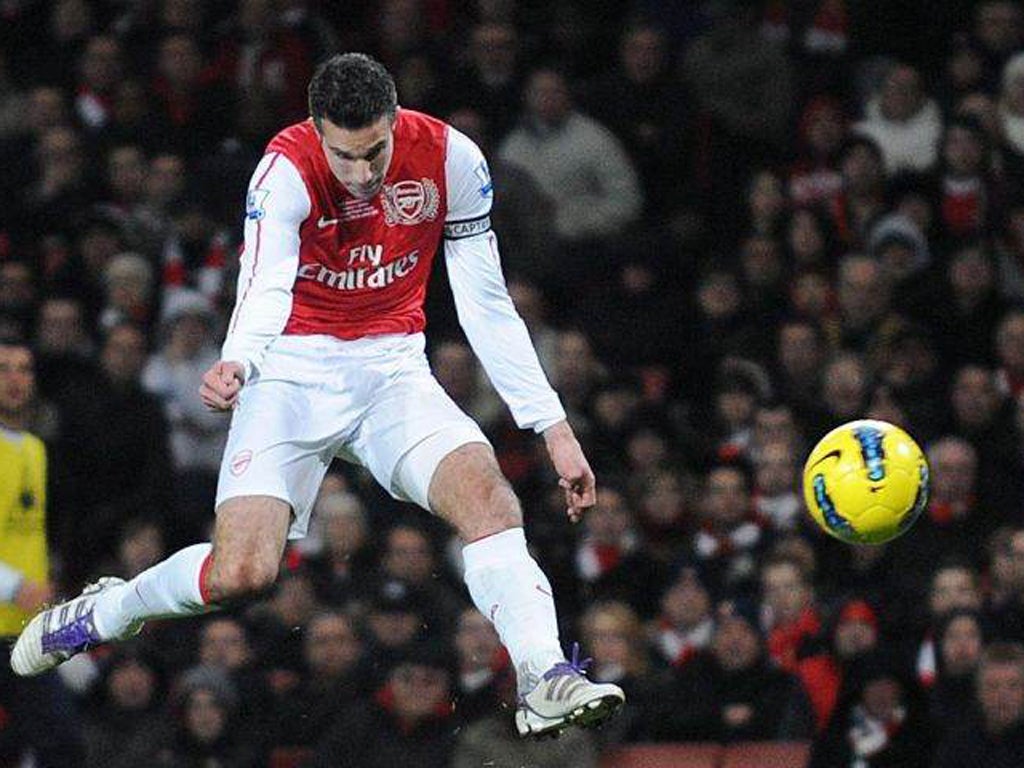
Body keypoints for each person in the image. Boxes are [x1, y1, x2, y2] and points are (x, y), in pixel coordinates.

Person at [11, 52, 623, 739]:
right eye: (345, 156)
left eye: (374, 153)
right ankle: (110, 610)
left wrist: (553, 426)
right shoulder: (285, 169)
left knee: (489, 499)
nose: (361, 175)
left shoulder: (452, 159)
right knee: (242, 572)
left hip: (392, 369)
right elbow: (266, 280)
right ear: (315, 127)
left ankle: (543, 675)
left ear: (396, 120)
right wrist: (239, 360)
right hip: (290, 375)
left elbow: (484, 302)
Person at [0, 337, 85, 765]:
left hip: (23, 630)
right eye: (3, 369)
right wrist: (16, 586)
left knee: (54, 743)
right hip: (7, 622)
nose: (15, 379)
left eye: (24, 369)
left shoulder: (34, 448)